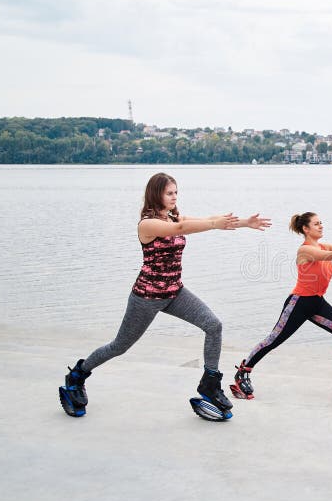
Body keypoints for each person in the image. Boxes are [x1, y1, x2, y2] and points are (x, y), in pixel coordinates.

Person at [59, 172, 271, 419]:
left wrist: (245, 222)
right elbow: (180, 228)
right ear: (156, 194)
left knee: (213, 325)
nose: (174, 197)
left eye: (176, 192)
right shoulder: (147, 224)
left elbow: (207, 219)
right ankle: (78, 374)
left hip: (175, 291)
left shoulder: (173, 216)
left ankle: (210, 384)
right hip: (146, 297)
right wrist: (214, 225)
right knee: (120, 346)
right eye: (169, 193)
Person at [230, 211, 332, 401]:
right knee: (274, 340)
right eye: (316, 224)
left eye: (321, 223)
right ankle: (243, 371)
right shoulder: (305, 250)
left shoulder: (322, 245)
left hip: (317, 303)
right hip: (299, 303)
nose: (321, 226)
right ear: (305, 228)